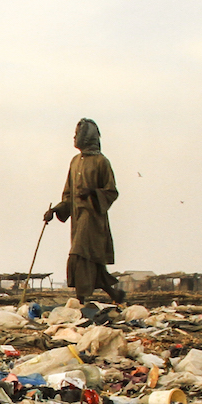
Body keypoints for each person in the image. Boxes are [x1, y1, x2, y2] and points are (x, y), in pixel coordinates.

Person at [44, 119, 125, 304]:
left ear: (87, 137)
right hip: (78, 219)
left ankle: (81, 300)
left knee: (78, 255)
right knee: (91, 260)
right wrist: (55, 211)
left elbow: (111, 191)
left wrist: (93, 193)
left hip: (93, 219)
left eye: (77, 133)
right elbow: (68, 195)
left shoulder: (101, 162)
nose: (74, 137)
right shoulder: (74, 162)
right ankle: (114, 294)